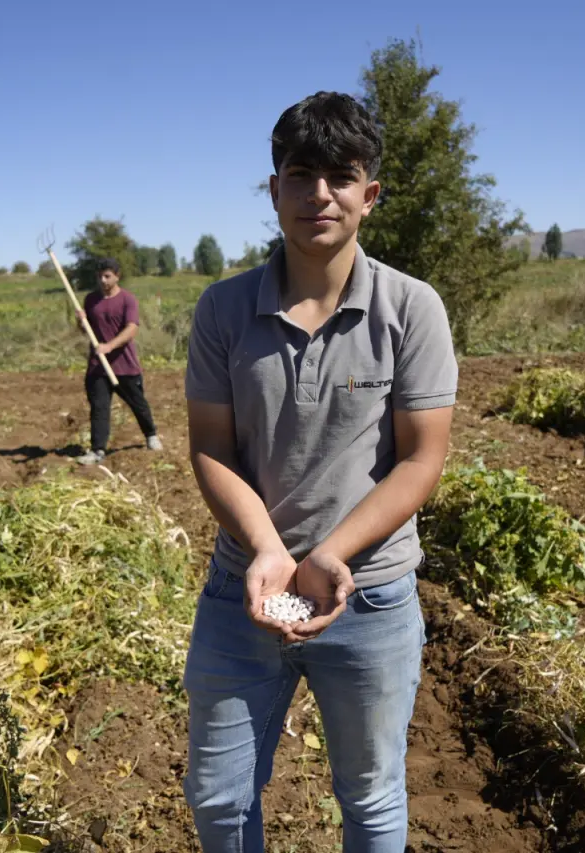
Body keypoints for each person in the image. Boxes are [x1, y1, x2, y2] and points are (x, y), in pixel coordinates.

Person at [181, 91, 459, 852]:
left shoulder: (411, 308)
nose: (319, 194)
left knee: (370, 796)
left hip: (370, 595)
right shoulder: (224, 310)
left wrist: (332, 554)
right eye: (299, 174)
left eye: (341, 175)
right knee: (218, 796)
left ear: (370, 195)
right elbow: (211, 446)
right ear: (274, 190)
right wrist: (271, 551)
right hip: (244, 595)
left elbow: (420, 457)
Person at [73, 257, 162, 465]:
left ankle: (151, 436)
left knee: (138, 404)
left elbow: (132, 328)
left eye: (107, 276)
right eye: (100, 276)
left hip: (125, 365)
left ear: (117, 276)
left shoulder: (127, 300)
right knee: (99, 408)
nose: (103, 280)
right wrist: (81, 322)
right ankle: (97, 450)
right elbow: (87, 332)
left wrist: (109, 346)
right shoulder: (90, 300)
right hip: (98, 368)